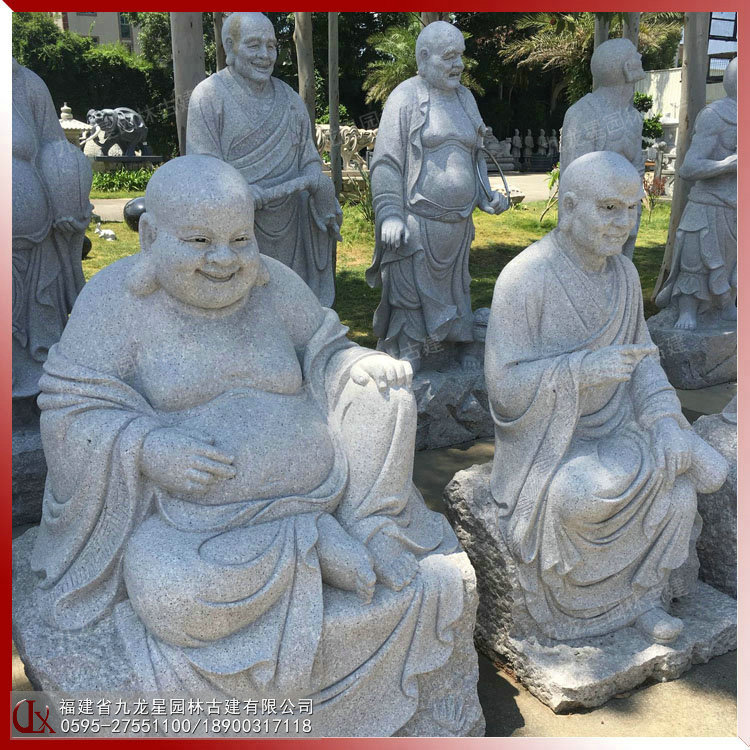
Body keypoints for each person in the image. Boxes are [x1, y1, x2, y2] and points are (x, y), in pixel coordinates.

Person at [30, 155, 467, 736]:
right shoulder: (115, 304)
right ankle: (311, 543)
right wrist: (146, 446)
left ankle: (369, 528)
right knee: (169, 592)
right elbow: (70, 407)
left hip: (326, 487)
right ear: (151, 237)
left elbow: (328, 350)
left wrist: (359, 364)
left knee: (382, 394)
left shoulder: (274, 285)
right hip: (195, 527)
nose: (225, 259)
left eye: (241, 239)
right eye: (199, 241)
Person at [485, 151, 727, 643]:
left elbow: (643, 361)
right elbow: (504, 387)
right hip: (553, 445)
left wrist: (665, 422)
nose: (624, 224)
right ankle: (584, 614)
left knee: (685, 487)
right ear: (570, 207)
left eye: (633, 209)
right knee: (579, 499)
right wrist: (579, 371)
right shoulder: (525, 279)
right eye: (609, 208)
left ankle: (644, 600)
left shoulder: (625, 276)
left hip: (619, 430)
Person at [366, 21, 507, 372]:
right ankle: (409, 354)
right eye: (449, 56)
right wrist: (390, 213)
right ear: (424, 57)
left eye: (461, 55)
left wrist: (486, 195)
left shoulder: (465, 98)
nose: (458, 64)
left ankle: (453, 350)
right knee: (410, 298)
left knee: (456, 296)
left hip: (458, 226)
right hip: (417, 222)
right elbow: (385, 162)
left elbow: (476, 153)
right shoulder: (405, 97)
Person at [186, 12, 341, 307]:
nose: (265, 55)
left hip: (292, 222)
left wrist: (316, 181)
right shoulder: (209, 96)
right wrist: (240, 191)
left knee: (291, 300)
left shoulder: (289, 99)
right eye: (254, 45)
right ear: (230, 47)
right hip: (238, 227)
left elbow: (308, 157)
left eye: (271, 46)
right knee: (245, 304)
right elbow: (203, 167)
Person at [12, 58, 92, 401]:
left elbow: (54, 147)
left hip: (35, 236)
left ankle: (30, 388)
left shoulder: (26, 84)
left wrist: (67, 195)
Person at [655, 57, 737, 330]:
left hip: (738, 206)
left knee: (734, 263)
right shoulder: (714, 115)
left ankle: (726, 306)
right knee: (697, 261)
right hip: (708, 204)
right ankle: (687, 311)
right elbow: (689, 167)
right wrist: (727, 165)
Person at [560, 38, 645, 259]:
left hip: (627, 210)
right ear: (626, 67)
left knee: (621, 266)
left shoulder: (633, 117)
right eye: (635, 54)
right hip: (594, 219)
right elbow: (573, 178)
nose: (640, 57)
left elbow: (637, 165)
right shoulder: (584, 113)